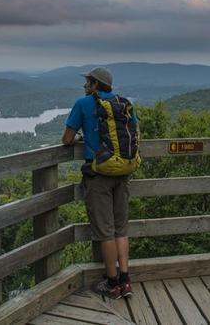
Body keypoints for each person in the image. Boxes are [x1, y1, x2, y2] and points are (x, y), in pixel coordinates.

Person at [61, 67, 137, 299]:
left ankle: (112, 284)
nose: (85, 86)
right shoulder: (122, 103)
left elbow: (66, 140)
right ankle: (125, 281)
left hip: (99, 175)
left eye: (87, 82)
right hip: (122, 172)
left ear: (95, 85)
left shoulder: (83, 103)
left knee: (105, 231)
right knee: (120, 228)